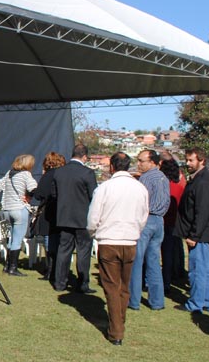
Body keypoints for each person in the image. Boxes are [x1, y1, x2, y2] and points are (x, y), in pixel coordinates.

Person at [87, 151, 148, 345]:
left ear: (112, 167)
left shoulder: (105, 188)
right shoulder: (140, 188)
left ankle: (116, 330)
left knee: (112, 287)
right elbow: (143, 216)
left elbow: (93, 217)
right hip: (130, 241)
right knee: (123, 286)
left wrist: (93, 233)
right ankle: (119, 322)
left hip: (109, 240)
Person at [47, 143, 98, 293]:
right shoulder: (87, 173)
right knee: (83, 251)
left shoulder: (59, 172)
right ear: (84, 156)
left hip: (64, 217)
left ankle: (60, 282)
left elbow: (54, 194)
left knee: (64, 250)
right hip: (83, 218)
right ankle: (82, 284)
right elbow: (93, 196)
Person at [175, 147, 209, 314]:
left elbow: (203, 211)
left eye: (191, 160)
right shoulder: (200, 179)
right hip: (204, 232)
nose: (187, 163)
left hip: (200, 234)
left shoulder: (204, 182)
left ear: (201, 160)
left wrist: (194, 235)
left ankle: (196, 303)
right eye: (186, 160)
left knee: (197, 270)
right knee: (205, 269)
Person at [128, 149, 170, 310]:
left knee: (137, 260)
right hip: (159, 221)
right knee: (153, 261)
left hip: (146, 219)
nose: (139, 164)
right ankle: (157, 301)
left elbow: (139, 202)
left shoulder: (145, 178)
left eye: (141, 161)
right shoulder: (163, 178)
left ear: (152, 162)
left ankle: (134, 299)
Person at [0, 154, 37, 276]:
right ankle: (13, 268)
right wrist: (28, 197)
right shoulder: (26, 175)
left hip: (7, 209)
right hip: (19, 208)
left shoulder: (9, 173)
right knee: (17, 239)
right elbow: (34, 188)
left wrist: (2, 201)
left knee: (12, 237)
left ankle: (7, 266)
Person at [30, 152, 66, 283]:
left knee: (49, 241)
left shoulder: (48, 175)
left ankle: (50, 270)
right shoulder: (65, 174)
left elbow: (39, 195)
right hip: (64, 212)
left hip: (49, 212)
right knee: (60, 242)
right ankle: (59, 270)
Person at [159, 156, 186, 289]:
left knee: (159, 253)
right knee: (172, 252)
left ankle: (163, 280)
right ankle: (171, 278)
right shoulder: (179, 186)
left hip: (163, 221)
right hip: (175, 222)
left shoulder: (163, 186)